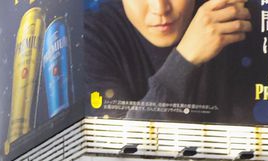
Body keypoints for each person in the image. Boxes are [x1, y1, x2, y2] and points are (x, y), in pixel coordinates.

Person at [78, 0, 256, 125]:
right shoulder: (91, 34)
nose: (160, 8)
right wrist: (185, 60)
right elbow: (114, 152)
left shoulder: (234, 18)